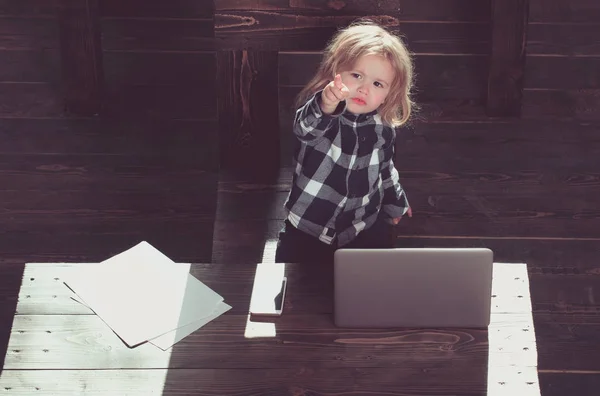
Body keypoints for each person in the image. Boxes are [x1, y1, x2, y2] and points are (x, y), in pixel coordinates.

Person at [275, 20, 416, 264]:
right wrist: (326, 105)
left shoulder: (383, 126)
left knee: (366, 283)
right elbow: (303, 129)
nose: (363, 89)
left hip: (360, 225)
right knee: (298, 288)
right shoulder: (323, 113)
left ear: (388, 94)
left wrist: (396, 203)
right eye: (357, 75)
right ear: (335, 72)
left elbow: (385, 169)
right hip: (309, 226)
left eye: (377, 84)